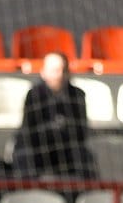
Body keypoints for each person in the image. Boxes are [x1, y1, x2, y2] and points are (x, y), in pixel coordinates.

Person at [11, 52, 96, 180]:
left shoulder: (78, 95)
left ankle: (85, 196)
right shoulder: (34, 95)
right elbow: (28, 131)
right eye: (55, 70)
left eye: (63, 70)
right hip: (37, 149)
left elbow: (81, 131)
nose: (59, 75)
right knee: (24, 155)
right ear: (43, 72)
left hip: (67, 150)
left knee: (85, 158)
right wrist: (55, 128)